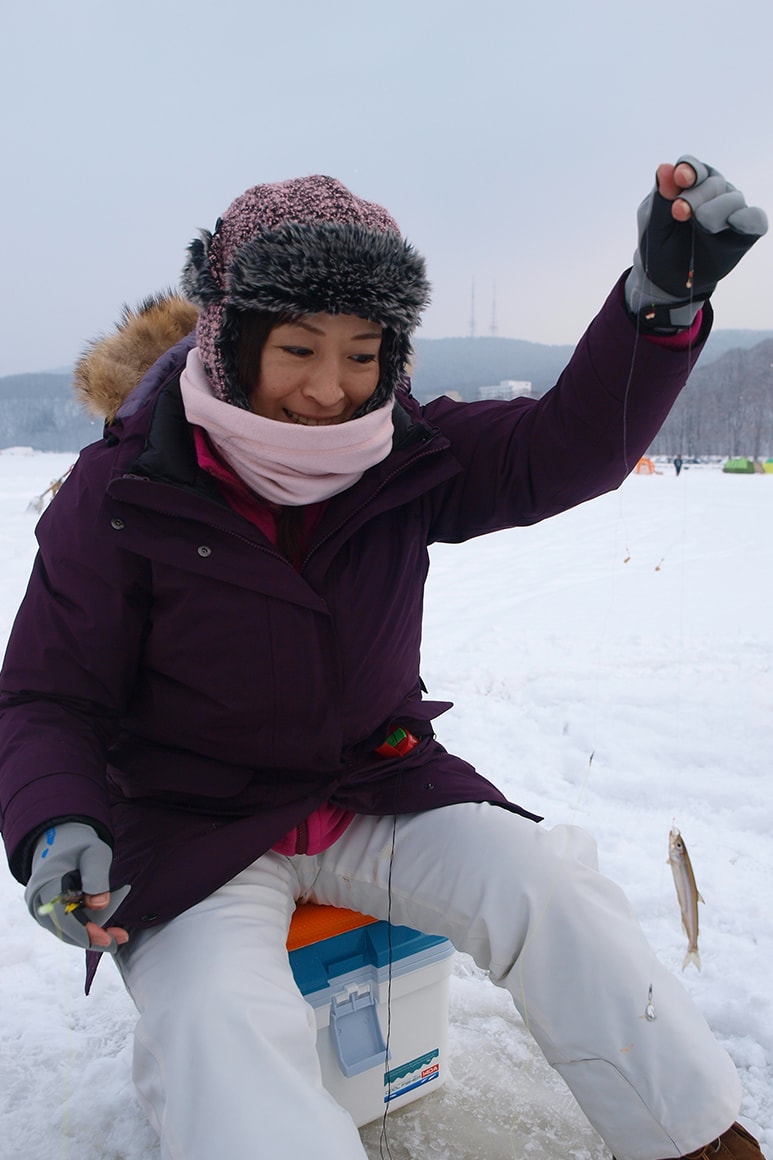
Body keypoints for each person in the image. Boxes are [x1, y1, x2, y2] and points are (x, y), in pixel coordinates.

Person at [0, 158, 767, 1160]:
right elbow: (48, 694)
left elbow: (564, 446)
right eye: (297, 348)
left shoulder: (404, 451)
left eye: (361, 353)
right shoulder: (122, 487)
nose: (329, 388)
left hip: (372, 785)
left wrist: (656, 309)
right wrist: (57, 822)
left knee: (551, 890)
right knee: (220, 1029)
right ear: (230, 339)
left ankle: (695, 1139)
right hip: (192, 827)